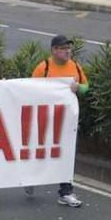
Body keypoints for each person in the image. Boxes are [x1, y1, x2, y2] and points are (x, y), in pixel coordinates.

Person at [30, 35, 88, 208]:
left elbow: (86, 87)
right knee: (41, 151)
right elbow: (30, 89)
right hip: (46, 119)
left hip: (67, 120)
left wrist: (79, 88)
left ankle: (66, 192)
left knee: (66, 154)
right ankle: (29, 177)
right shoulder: (44, 67)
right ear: (54, 50)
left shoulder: (75, 66)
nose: (67, 52)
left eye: (69, 48)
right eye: (63, 48)